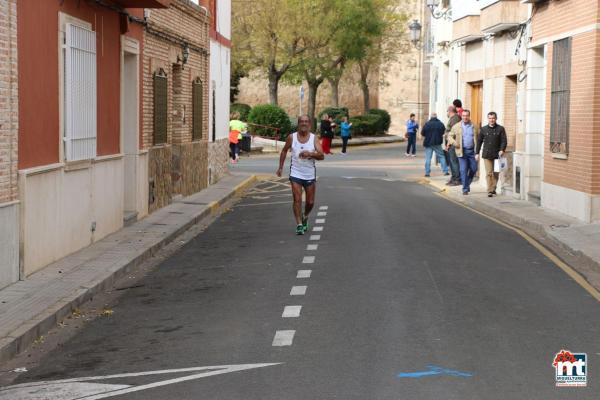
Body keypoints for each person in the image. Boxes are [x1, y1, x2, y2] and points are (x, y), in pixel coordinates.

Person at [276, 115, 325, 235]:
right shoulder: (291, 137)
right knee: (297, 199)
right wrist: (280, 167)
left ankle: (305, 216)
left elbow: (322, 155)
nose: (304, 123)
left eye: (306, 121)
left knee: (310, 202)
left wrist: (310, 154)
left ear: (309, 124)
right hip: (295, 173)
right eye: (301, 121)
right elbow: (284, 150)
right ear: (298, 124)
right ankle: (298, 224)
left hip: (309, 174)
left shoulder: (314, 138)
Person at [448, 109, 479, 195]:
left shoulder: (475, 127)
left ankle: (466, 184)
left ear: (469, 116)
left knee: (474, 169)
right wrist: (454, 143)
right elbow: (449, 136)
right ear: (461, 116)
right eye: (463, 116)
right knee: (463, 170)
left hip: (472, 152)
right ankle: (465, 189)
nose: (465, 117)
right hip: (461, 151)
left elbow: (479, 139)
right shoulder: (456, 126)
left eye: (467, 116)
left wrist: (478, 152)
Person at [477, 111, 507, 197]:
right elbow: (479, 141)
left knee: (496, 173)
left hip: (498, 155)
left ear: (496, 118)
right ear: (488, 119)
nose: (491, 120)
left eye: (493, 118)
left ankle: (493, 188)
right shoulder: (483, 129)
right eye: (490, 118)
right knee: (489, 173)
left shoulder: (501, 129)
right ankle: (489, 190)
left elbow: (504, 141)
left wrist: (502, 150)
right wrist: (477, 153)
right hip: (487, 154)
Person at [421, 113, 449, 177]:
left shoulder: (427, 124)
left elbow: (422, 133)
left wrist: (428, 135)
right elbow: (443, 132)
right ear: (436, 117)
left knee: (428, 158)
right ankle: (445, 171)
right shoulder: (440, 124)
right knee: (441, 156)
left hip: (428, 143)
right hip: (437, 143)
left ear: (431, 117)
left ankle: (427, 173)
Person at [444, 105, 462, 186]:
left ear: (450, 111)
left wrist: (449, 143)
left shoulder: (455, 118)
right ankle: (453, 178)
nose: (447, 113)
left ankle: (457, 179)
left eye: (447, 111)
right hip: (450, 143)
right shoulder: (453, 118)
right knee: (451, 162)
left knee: (454, 162)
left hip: (453, 144)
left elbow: (453, 133)